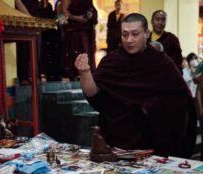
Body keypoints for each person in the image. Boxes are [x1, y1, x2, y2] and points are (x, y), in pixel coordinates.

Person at [74, 13, 196, 158]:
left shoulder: (161, 62)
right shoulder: (111, 61)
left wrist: (151, 106)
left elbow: (181, 96)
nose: (129, 40)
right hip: (115, 137)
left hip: (150, 138)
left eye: (135, 34)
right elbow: (94, 94)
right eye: (124, 35)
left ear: (147, 34)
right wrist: (85, 73)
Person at [61, 0, 98, 81]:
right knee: (76, 52)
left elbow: (92, 10)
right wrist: (77, 18)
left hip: (86, 30)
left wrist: (90, 15)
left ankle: (87, 74)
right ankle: (75, 73)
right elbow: (64, 13)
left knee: (86, 53)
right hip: (74, 31)